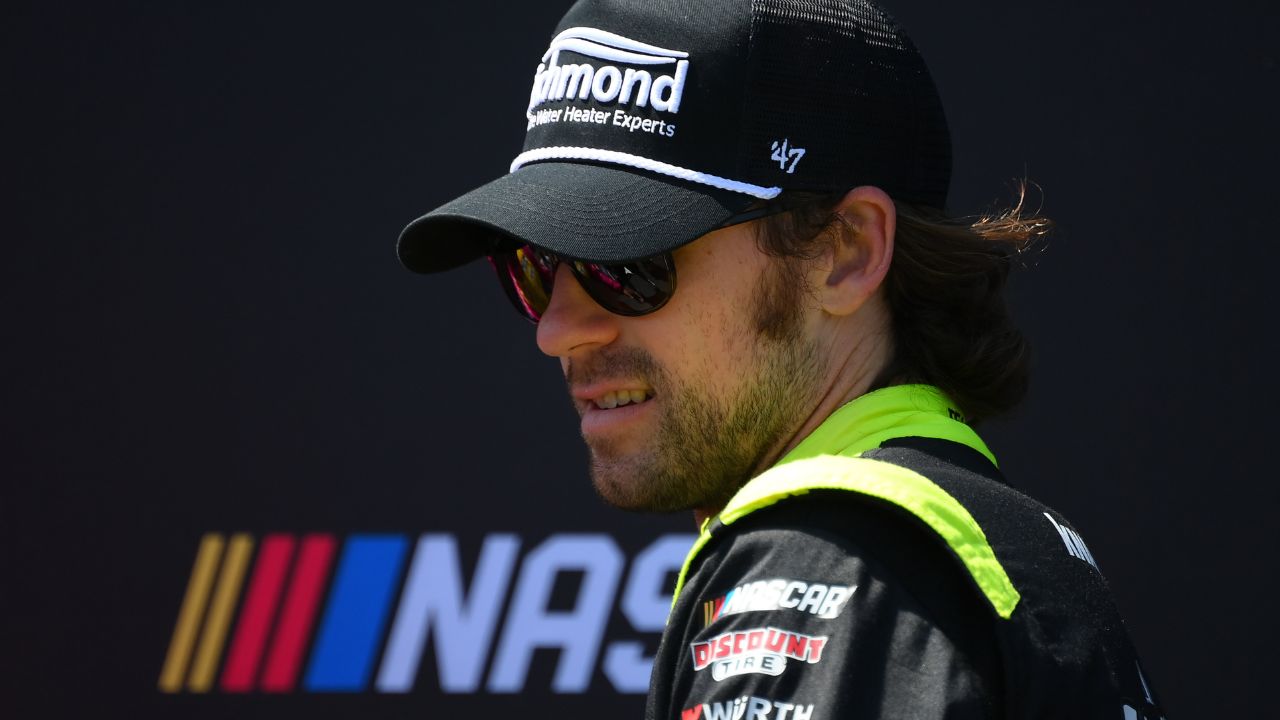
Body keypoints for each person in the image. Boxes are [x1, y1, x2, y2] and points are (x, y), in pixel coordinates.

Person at [396, 0, 1167, 717]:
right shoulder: (997, 547)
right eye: (534, 265)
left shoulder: (831, 562)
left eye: (626, 265)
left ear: (844, 251)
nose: (558, 329)